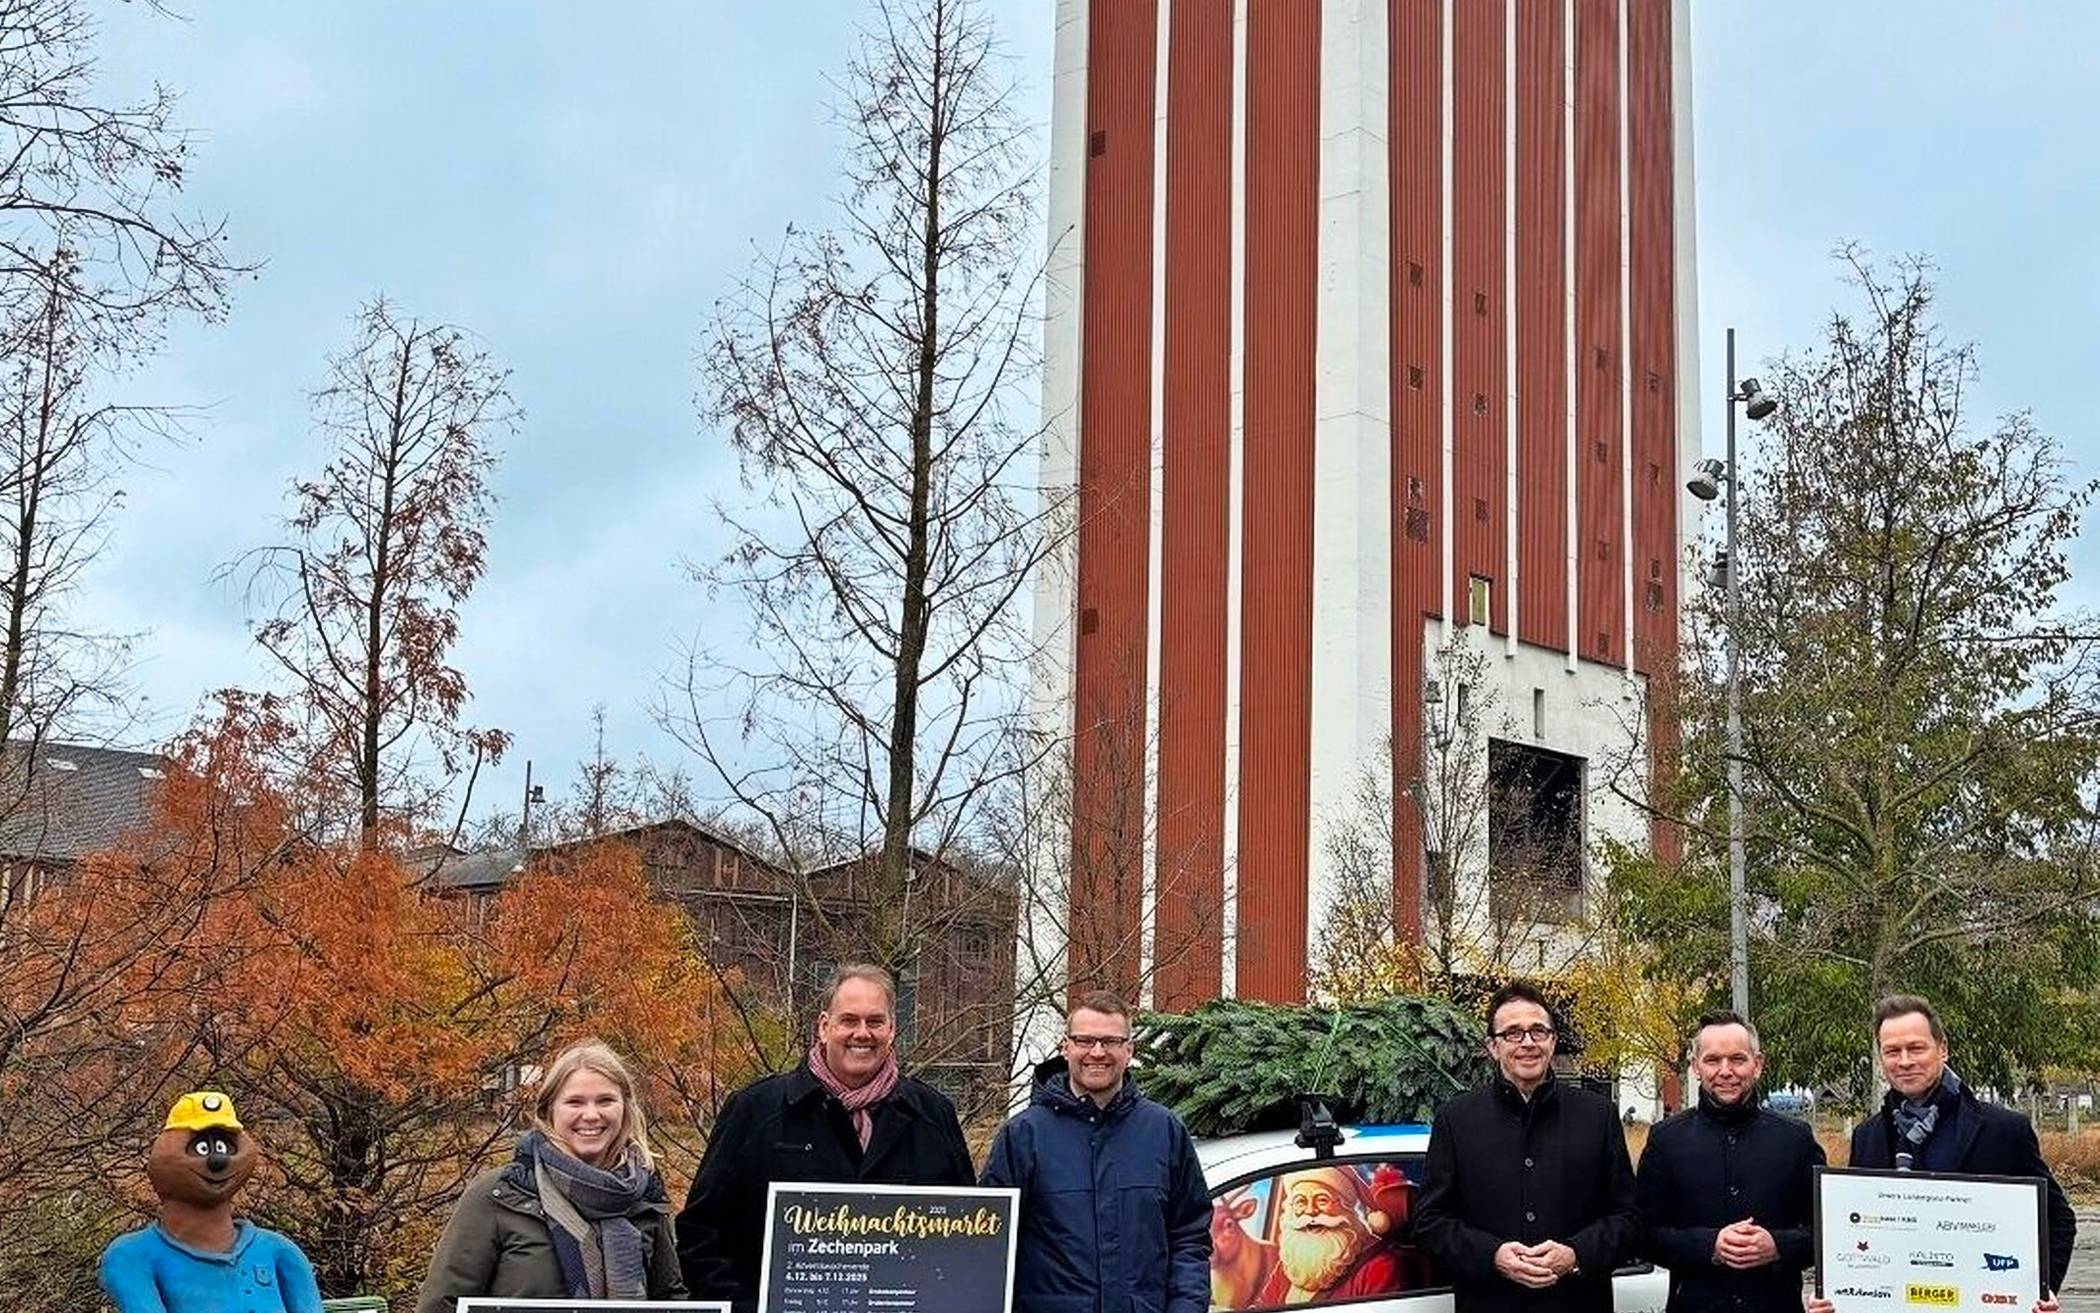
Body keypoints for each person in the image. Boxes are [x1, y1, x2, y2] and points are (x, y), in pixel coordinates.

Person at [677, 963, 975, 1313]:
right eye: (849, 1020)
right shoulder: (756, 1111)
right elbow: (701, 1234)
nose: (862, 1033)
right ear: (823, 1027)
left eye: (875, 1021)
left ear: (892, 1029)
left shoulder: (933, 1116)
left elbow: (965, 1238)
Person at [1415, 981, 1640, 1313]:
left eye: (1538, 1031)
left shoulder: (1598, 1116)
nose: (1528, 1043)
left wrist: (1576, 1254)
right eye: (1513, 1033)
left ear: (1553, 1041)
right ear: (1493, 1047)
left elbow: (1629, 1218)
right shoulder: (1456, 1119)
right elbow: (1429, 1222)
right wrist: (1492, 1255)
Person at [981, 989, 1211, 1313]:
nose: (1097, 1052)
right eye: (1085, 1040)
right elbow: (991, 1246)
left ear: (1129, 1050)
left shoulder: (1164, 1131)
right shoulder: (1023, 1135)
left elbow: (1189, 1238)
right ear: (1066, 1047)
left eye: (1111, 1041)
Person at [417, 1040, 686, 1311]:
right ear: (549, 1111)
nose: (591, 1115)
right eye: (574, 1102)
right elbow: (442, 1304)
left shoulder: (644, 1196)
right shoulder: (497, 1194)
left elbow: (670, 1300)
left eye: (605, 1101)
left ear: (625, 1108)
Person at [1843, 995, 2074, 1305]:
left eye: (1916, 1048)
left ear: (1943, 1049)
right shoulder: (1867, 1136)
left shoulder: (2004, 1130)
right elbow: (1854, 1230)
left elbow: (2058, 1219)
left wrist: (2041, 1289)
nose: (1905, 1061)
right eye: (1892, 1051)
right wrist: (1838, 1294)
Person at [1635, 1010, 1823, 1313]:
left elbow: (1827, 1231)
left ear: (1757, 1064)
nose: (1725, 1071)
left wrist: (1778, 1246)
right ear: (1695, 1067)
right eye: (1712, 1060)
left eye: (1737, 1059)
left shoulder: (1796, 1139)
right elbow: (1641, 1233)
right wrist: (1709, 1245)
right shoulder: (1666, 1140)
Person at [100, 1091, 323, 1313]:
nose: (218, 1160)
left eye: (224, 1147)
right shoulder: (133, 1255)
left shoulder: (279, 1251)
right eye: (201, 1148)